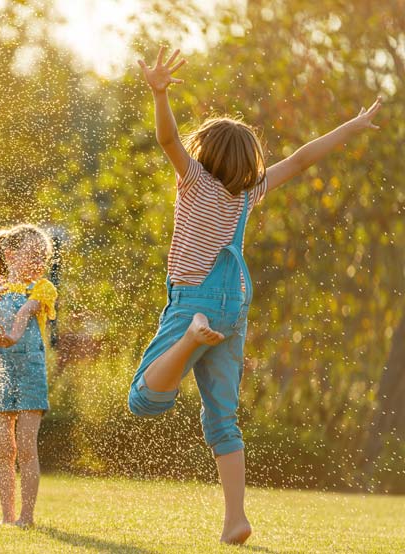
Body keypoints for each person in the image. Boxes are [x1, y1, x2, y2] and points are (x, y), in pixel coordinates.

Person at [128, 46, 382, 544]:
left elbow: (166, 138)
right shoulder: (249, 192)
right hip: (236, 299)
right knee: (222, 418)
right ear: (248, 162)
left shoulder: (195, 181)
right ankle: (235, 519)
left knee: (144, 401)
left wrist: (159, 93)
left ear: (205, 154)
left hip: (197, 296)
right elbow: (303, 158)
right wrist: (350, 128)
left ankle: (191, 340)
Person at [0, 224, 58, 528]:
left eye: (42, 257)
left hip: (30, 373)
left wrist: (13, 337)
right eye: (32, 255)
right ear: (10, 254)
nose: (38, 263)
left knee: (26, 446)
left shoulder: (42, 288)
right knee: (4, 449)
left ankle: (26, 517)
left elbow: (24, 314)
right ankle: (7, 517)